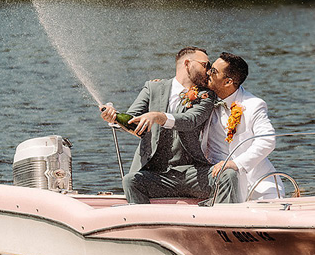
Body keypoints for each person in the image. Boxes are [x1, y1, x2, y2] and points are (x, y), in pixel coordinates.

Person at [99, 47, 240, 205]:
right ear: (187, 63)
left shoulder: (205, 96)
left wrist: (159, 116)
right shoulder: (153, 88)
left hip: (192, 174)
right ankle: (147, 226)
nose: (208, 71)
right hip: (157, 176)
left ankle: (218, 223)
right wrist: (114, 116)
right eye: (205, 65)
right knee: (131, 181)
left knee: (228, 175)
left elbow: (190, 120)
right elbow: (132, 121)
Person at [201, 52, 282, 201]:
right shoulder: (203, 99)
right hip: (216, 181)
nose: (208, 73)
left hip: (257, 185)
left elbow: (267, 141)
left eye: (213, 71)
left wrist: (236, 164)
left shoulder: (253, 105)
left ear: (227, 82)